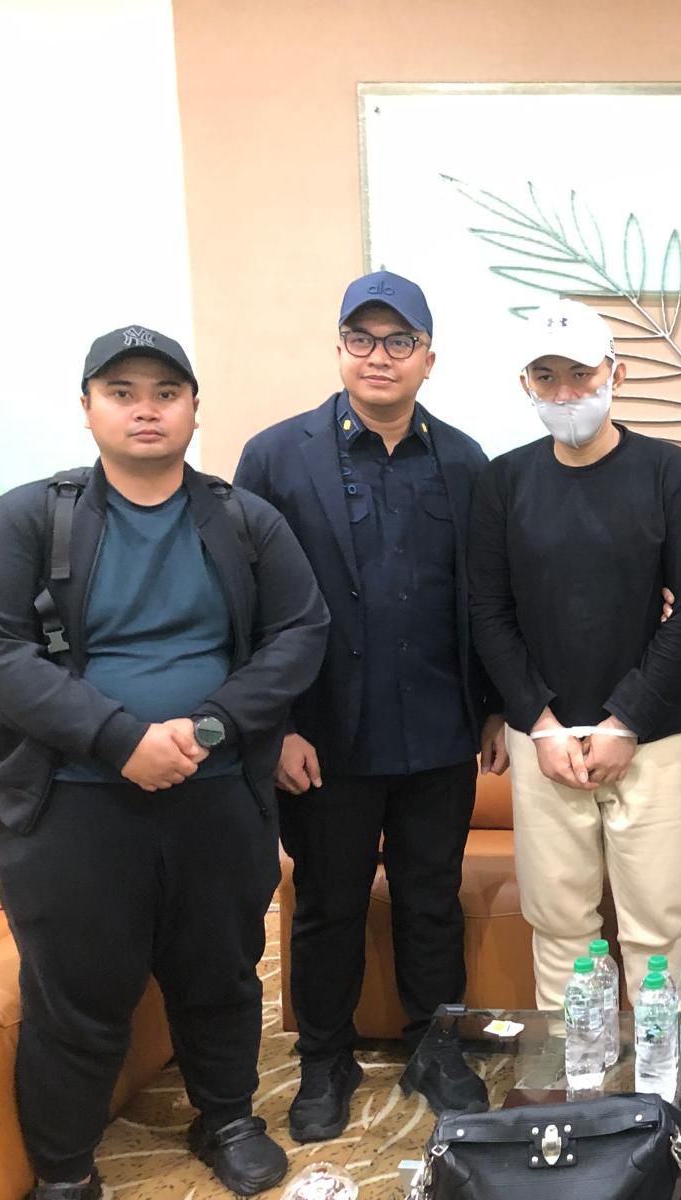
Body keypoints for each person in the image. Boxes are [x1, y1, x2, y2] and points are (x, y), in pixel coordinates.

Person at [0, 326, 329, 1198]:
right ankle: (65, 1170)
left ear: (193, 409)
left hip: (217, 799)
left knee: (221, 975)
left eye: (166, 393)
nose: (146, 409)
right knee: (78, 994)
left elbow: (300, 632)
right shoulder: (29, 517)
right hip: (71, 805)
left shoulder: (243, 520)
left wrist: (210, 728)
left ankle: (229, 1118)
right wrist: (120, 740)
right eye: (123, 392)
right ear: (88, 407)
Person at [234, 272, 507, 1134]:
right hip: (323, 737)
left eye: (398, 341)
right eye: (362, 339)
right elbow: (245, 604)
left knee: (432, 899)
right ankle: (325, 1060)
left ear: (429, 357)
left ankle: (436, 1047)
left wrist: (492, 708)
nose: (378, 356)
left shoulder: (465, 461)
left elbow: (485, 597)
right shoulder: (276, 457)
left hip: (438, 731)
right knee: (328, 903)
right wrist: (275, 727)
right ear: (340, 348)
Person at [468, 298, 681, 1007]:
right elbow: (487, 610)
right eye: (546, 377)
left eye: (580, 374)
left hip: (653, 735)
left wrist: (626, 719)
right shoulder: (503, 481)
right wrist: (538, 722)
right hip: (542, 737)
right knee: (559, 922)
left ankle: (660, 1064)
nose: (565, 394)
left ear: (616, 372)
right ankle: (571, 1064)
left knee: (656, 925)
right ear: (526, 384)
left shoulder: (670, 473)